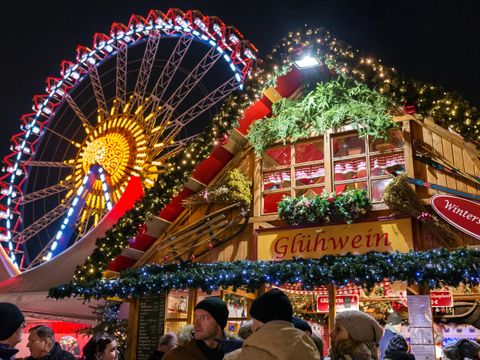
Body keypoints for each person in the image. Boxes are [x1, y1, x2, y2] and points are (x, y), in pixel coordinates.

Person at [227, 288, 320, 360]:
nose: (252, 326)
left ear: (260, 321)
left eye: (253, 318)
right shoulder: (310, 353)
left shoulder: (238, 357)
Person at [163, 297, 241, 360]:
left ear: (219, 324)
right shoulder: (175, 356)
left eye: (204, 318)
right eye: (195, 317)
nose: (196, 323)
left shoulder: (238, 355)